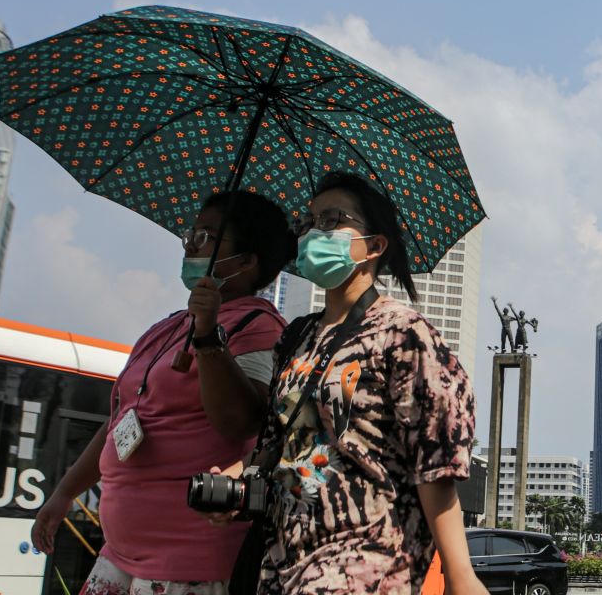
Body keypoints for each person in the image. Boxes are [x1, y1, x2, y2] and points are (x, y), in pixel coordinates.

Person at [211, 172, 485, 595]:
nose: (313, 232)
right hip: (281, 565)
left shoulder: (404, 333)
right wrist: (235, 481)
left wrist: (460, 576)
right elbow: (282, 441)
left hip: (365, 565)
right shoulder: (296, 336)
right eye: (307, 221)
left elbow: (435, 462)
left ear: (374, 246)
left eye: (332, 220)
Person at [32, 190, 295, 595]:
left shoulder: (258, 326)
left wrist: (208, 336)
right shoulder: (167, 326)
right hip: (119, 553)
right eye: (192, 234)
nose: (190, 245)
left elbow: (239, 423)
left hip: (189, 560)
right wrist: (65, 492)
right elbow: (122, 421)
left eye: (207, 237)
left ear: (246, 261)